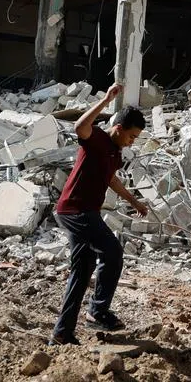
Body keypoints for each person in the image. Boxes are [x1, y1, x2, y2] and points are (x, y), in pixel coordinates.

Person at [49, 85, 148, 346]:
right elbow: (79, 126)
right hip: (75, 209)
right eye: (132, 136)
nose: (132, 141)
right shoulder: (98, 139)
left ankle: (62, 333)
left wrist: (134, 201)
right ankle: (98, 311)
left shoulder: (114, 152)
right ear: (119, 128)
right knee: (112, 252)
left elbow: (111, 180)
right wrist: (105, 100)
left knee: (82, 271)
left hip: (85, 211)